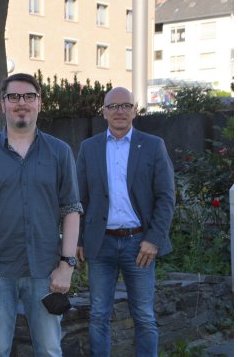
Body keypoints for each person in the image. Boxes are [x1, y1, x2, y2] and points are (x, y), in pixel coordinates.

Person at [0, 73, 83, 356]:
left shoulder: (60, 152)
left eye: (29, 96)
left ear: (39, 103)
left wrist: (67, 266)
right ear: (3, 104)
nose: (21, 103)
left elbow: (72, 210)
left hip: (46, 272)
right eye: (13, 97)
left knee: (50, 351)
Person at [75, 87, 175, 357]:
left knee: (143, 315)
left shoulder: (153, 145)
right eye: (113, 106)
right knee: (98, 315)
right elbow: (80, 199)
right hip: (101, 244)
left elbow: (166, 198)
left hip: (139, 245)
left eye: (125, 105)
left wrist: (153, 240)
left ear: (135, 110)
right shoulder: (89, 148)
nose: (119, 111)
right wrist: (80, 239)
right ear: (104, 112)